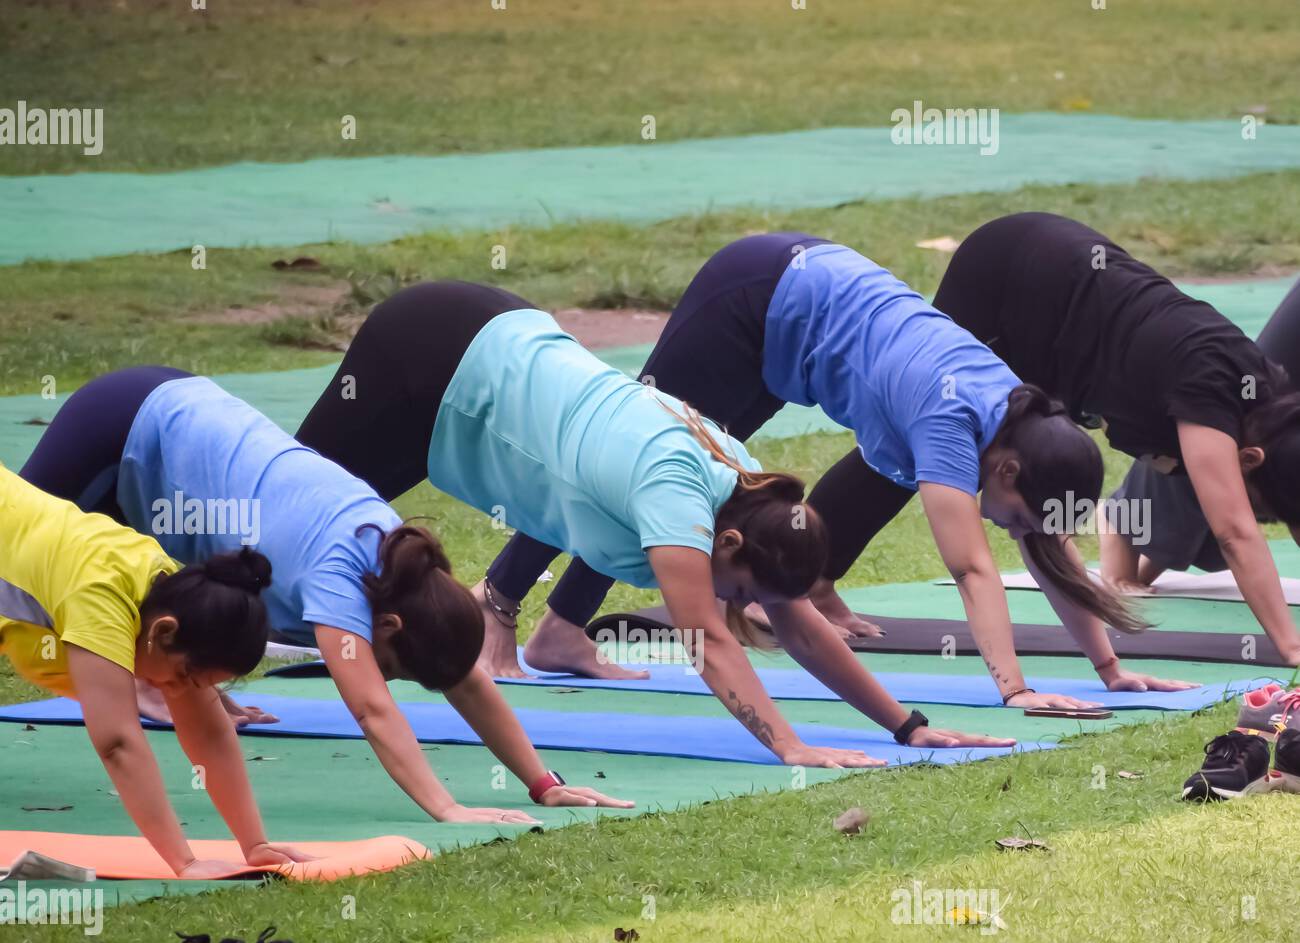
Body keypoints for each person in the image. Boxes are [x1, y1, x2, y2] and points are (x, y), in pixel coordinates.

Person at [298, 281, 1014, 762]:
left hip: (484, 356)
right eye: (739, 589)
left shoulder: (747, 488)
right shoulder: (677, 491)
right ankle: (193, 670)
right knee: (293, 512)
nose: (738, 606)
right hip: (433, 350)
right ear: (726, 543)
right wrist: (790, 747)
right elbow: (706, 638)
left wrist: (907, 726)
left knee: (321, 520)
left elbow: (796, 620)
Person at [460, 238, 1190, 705]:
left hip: (791, 315)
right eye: (1017, 512)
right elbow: (972, 569)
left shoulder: (1018, 428)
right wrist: (1016, 690)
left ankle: (560, 631)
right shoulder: (952, 418)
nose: (1012, 529)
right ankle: (494, 605)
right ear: (1005, 466)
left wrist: (1110, 669)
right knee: (628, 472)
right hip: (750, 299)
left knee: (672, 495)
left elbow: (1049, 545)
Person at [20, 367, 630, 826]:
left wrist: (542, 782)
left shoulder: (400, 570)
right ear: (387, 627)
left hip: (181, 419)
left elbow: (465, 676)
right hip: (126, 423)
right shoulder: (341, 576)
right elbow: (370, 710)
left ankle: (158, 680)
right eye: (394, 669)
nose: (384, 679)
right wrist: (447, 807)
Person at [929, 212, 1300, 666]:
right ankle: (820, 580)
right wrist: (1291, 646)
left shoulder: (1265, 405)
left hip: (1066, 318)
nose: (1262, 519)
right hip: (1015, 273)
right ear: (1248, 459)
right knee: (919, 441)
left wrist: (1110, 665)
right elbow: (1235, 532)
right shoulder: (1213, 387)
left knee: (1039, 511)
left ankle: (821, 579)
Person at [1, 463, 308, 878]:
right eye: (184, 676)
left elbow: (210, 733)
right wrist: (185, 863)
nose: (177, 691)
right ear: (164, 633)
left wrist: (255, 845)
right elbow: (117, 742)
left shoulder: (173, 592)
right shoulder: (101, 595)